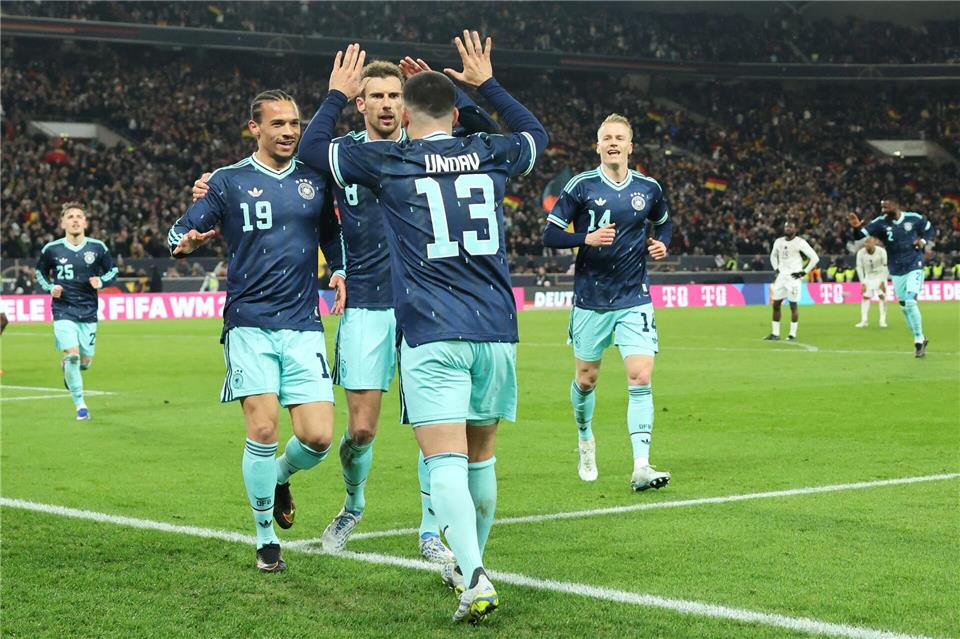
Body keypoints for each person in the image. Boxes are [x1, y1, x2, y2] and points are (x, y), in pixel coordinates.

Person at [192, 60, 497, 563]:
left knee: (437, 424)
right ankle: (349, 502)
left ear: (407, 103)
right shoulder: (338, 156)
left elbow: (491, 142)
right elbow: (279, 178)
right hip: (368, 305)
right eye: (375, 96)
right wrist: (212, 188)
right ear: (361, 103)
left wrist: (456, 93)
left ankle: (429, 532)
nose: (386, 105)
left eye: (395, 96)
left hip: (428, 305)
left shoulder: (431, 151)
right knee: (359, 431)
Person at [298, 34, 547, 624]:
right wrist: (484, 84)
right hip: (497, 331)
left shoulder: (392, 159)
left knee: (445, 462)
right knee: (481, 460)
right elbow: (535, 134)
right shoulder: (488, 152)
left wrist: (336, 96)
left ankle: (475, 575)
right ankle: (469, 563)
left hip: (433, 333)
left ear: (404, 115)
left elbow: (313, 151)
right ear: (457, 115)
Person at [167, 89, 344, 573]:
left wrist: (340, 270)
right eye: (279, 124)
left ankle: (280, 477)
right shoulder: (227, 182)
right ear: (255, 128)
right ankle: (266, 540)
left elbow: (332, 235)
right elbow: (177, 233)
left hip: (304, 323)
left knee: (318, 438)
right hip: (249, 323)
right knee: (263, 428)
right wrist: (187, 241)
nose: (290, 131)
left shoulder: (314, 180)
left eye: (295, 123)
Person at [541, 113, 673, 491]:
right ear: (597, 145)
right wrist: (586, 238)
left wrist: (663, 242)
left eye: (619, 137)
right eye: (606, 137)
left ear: (630, 146)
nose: (613, 142)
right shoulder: (580, 186)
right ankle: (585, 438)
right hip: (591, 300)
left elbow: (664, 222)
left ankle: (642, 465)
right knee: (586, 380)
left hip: (635, 297)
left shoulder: (649, 188)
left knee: (641, 375)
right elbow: (550, 235)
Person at [34, 203, 118, 420]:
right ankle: (81, 406)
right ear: (62, 223)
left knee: (85, 363)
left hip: (88, 311)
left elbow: (113, 271)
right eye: (70, 216)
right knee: (72, 355)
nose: (75, 219)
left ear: (85, 222)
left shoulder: (97, 247)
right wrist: (50, 288)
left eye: (79, 216)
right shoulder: (51, 249)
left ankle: (70, 367)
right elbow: (40, 273)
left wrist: (102, 280)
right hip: (63, 311)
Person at [848, 199, 934, 357]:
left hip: (914, 264)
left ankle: (918, 340)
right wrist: (856, 227)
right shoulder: (879, 223)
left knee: (910, 301)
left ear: (896, 205)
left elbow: (929, 228)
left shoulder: (913, 218)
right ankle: (920, 337)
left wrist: (922, 241)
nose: (883, 209)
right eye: (881, 206)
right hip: (896, 269)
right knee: (904, 306)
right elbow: (859, 236)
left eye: (886, 206)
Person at [764, 220, 819, 341]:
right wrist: (776, 268)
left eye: (790, 227)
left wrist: (804, 272)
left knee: (793, 306)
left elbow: (815, 258)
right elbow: (773, 255)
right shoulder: (778, 241)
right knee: (776, 305)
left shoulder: (800, 242)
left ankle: (792, 335)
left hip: (794, 278)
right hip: (781, 277)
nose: (788, 228)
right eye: (786, 226)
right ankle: (775, 333)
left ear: (795, 229)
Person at [855, 236, 889, 328]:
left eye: (869, 242)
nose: (867, 244)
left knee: (882, 296)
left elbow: (885, 266)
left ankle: (882, 320)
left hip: (880, 275)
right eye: (866, 242)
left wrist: (883, 281)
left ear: (874, 242)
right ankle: (864, 320)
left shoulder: (881, 251)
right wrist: (862, 282)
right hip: (868, 277)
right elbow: (859, 267)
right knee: (865, 297)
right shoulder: (861, 253)